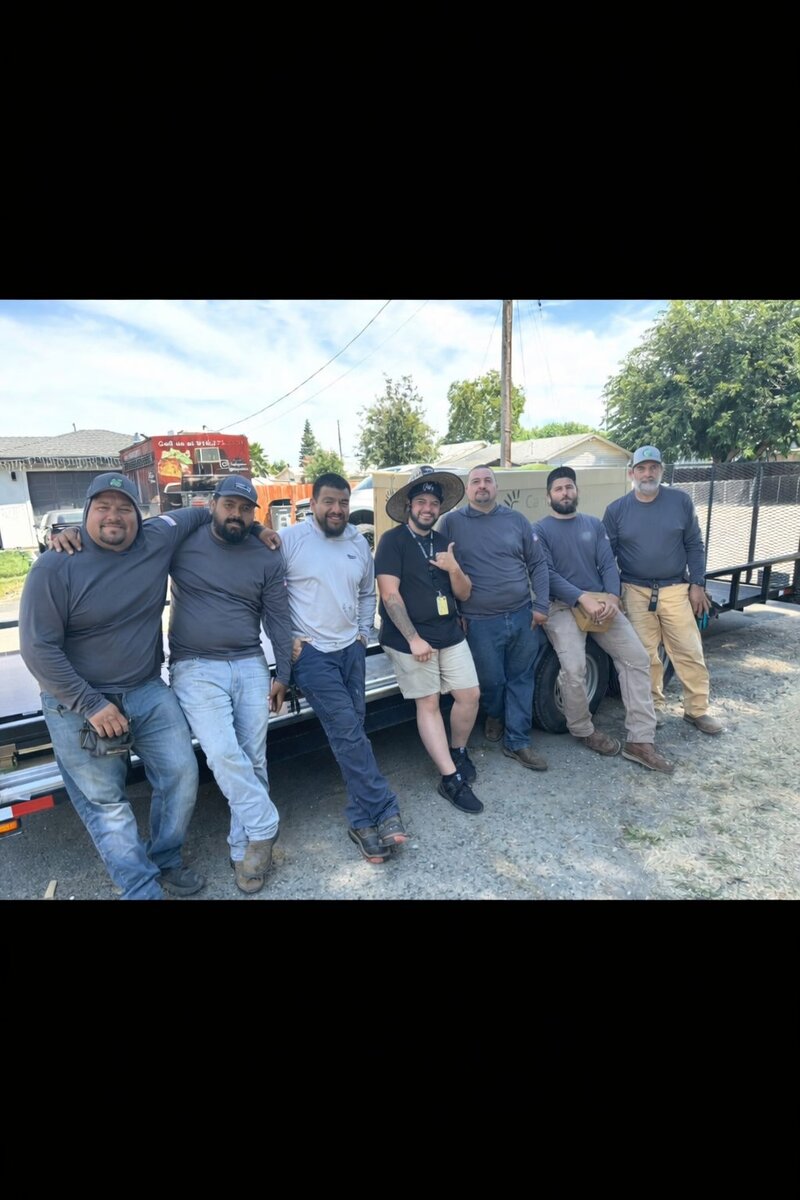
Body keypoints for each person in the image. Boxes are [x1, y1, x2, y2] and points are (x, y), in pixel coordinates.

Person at [19, 473, 212, 900]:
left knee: (181, 773)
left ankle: (165, 859)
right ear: (86, 513)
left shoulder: (157, 536)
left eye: (125, 508)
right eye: (103, 507)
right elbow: (37, 649)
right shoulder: (55, 565)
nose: (114, 516)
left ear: (140, 516)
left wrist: (258, 528)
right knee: (106, 803)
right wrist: (91, 705)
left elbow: (201, 513)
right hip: (77, 701)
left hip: (145, 688)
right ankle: (140, 888)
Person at [167, 476, 293, 895]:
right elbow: (134, 536)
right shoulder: (184, 540)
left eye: (246, 509)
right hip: (194, 666)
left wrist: (283, 675)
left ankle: (245, 850)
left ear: (254, 513)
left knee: (253, 758)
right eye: (229, 506)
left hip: (249, 663)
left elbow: (277, 619)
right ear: (213, 504)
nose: (236, 515)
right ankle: (266, 824)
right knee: (223, 753)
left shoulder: (266, 554)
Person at [279, 472, 407, 865]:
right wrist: (288, 640)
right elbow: (265, 591)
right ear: (312, 503)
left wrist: (362, 634)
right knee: (349, 733)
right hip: (313, 655)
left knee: (349, 735)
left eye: (343, 503)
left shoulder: (356, 540)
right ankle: (385, 809)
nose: (337, 510)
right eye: (329, 502)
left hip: (350, 649)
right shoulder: (288, 541)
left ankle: (360, 820)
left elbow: (368, 591)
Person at [533, 466, 675, 773]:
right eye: (558, 489)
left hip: (601, 604)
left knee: (637, 658)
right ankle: (583, 729)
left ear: (577, 492)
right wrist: (580, 597)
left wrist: (612, 596)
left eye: (569, 487)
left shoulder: (593, 525)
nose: (565, 493)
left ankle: (640, 740)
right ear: (549, 497)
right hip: (561, 606)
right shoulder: (540, 530)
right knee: (574, 668)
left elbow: (607, 563)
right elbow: (546, 573)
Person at [375, 466, 483, 815]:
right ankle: (450, 778)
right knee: (430, 705)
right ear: (409, 506)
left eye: (433, 503)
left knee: (470, 695)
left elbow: (464, 593)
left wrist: (453, 568)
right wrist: (414, 638)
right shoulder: (393, 541)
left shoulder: (443, 543)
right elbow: (389, 594)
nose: (427, 508)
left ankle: (459, 750)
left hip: (449, 633)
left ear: (439, 508)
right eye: (420, 501)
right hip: (411, 639)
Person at [602, 446, 724, 735]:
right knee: (644, 656)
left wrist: (698, 584)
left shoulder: (680, 501)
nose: (647, 473)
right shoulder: (617, 510)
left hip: (675, 589)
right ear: (631, 473)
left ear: (661, 470)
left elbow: (695, 544)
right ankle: (651, 709)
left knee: (688, 650)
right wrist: (613, 591)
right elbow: (607, 555)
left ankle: (697, 710)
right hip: (635, 589)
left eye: (653, 467)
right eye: (641, 468)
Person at [437, 464, 550, 771]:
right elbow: (441, 573)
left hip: (522, 616)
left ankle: (518, 741)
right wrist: (454, 614)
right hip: (478, 621)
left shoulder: (516, 521)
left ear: (496, 487)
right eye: (476, 482)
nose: (482, 486)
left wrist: (541, 607)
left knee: (521, 678)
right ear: (467, 489)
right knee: (490, 681)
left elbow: (538, 564)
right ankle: (495, 714)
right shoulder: (451, 523)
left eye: (488, 481)